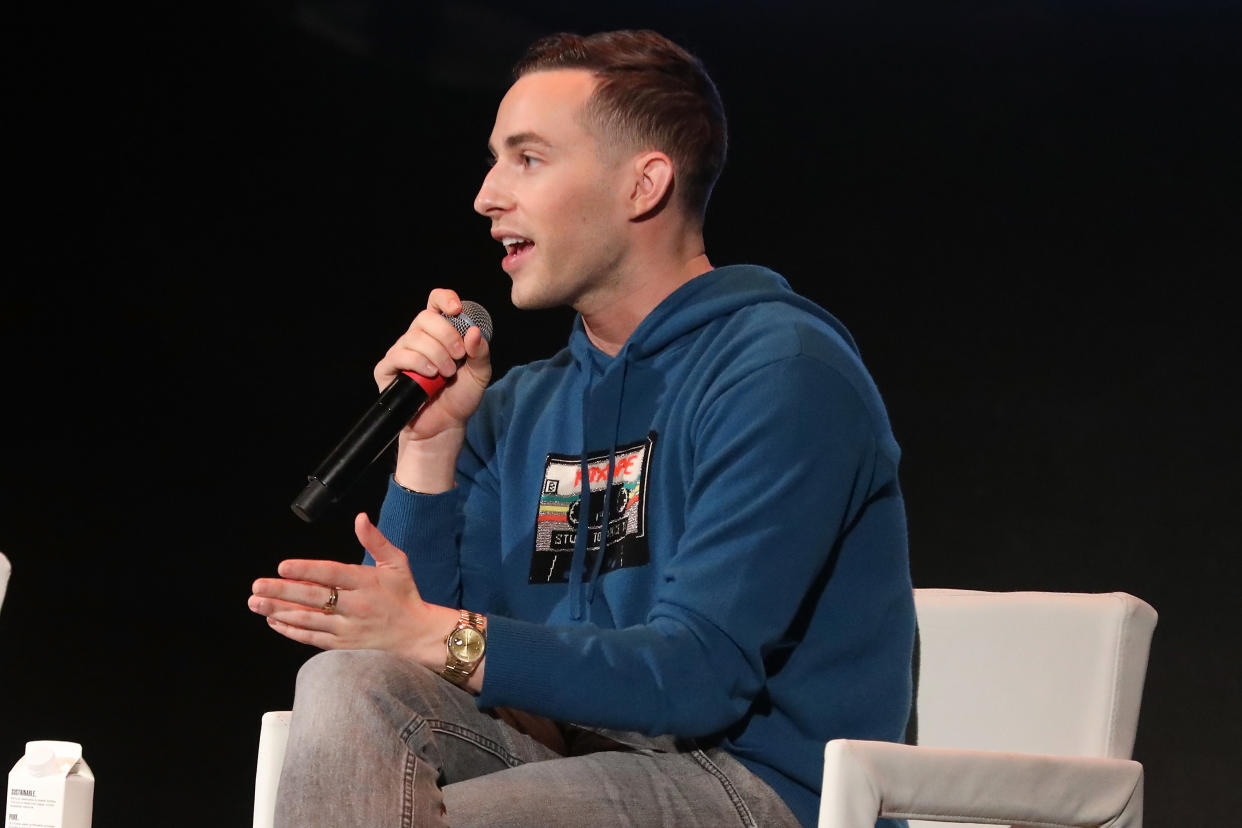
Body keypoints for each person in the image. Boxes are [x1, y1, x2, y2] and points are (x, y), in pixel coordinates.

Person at [249, 29, 914, 828]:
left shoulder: (782, 372)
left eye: (527, 159)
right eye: (495, 159)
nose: (487, 195)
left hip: (754, 787)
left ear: (643, 185)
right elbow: (420, 651)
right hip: (575, 761)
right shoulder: (519, 405)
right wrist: (429, 445)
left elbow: (697, 678)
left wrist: (438, 636)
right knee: (348, 683)